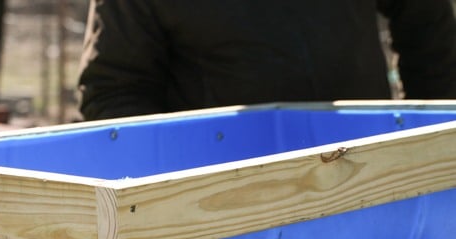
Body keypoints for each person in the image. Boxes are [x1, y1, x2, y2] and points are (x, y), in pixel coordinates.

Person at [77, 0, 456, 121]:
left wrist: (432, 144)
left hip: (369, 186)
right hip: (227, 220)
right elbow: (113, 92)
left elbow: (429, 31)